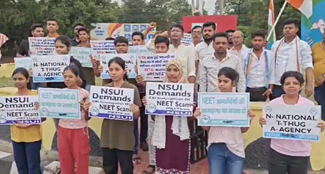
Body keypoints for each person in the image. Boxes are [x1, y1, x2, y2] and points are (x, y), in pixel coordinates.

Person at [259, 71, 325, 174]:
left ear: (301, 86)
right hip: (278, 151)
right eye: (287, 83)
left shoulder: (309, 105)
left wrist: (320, 127)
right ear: (282, 86)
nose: (291, 86)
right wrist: (262, 122)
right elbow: (268, 127)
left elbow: (312, 129)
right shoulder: (273, 104)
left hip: (301, 153)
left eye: (295, 83)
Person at [85, 57, 141, 174]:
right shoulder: (104, 89)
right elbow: (93, 113)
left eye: (117, 69)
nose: (114, 72)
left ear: (124, 71)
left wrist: (135, 111)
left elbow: (137, 115)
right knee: (109, 168)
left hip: (125, 137)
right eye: (111, 69)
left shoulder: (132, 89)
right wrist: (88, 108)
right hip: (108, 136)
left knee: (126, 168)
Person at [194, 67, 255, 174]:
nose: (221, 84)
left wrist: (248, 119)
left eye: (225, 81)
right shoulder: (210, 101)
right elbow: (206, 128)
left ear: (234, 83)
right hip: (215, 146)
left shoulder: (241, 101)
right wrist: (200, 117)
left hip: (236, 148)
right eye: (219, 81)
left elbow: (244, 130)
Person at [142, 59, 192, 173]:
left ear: (181, 72)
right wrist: (149, 105)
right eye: (169, 70)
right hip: (163, 132)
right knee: (163, 159)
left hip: (180, 133)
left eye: (175, 70)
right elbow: (154, 117)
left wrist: (192, 108)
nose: (172, 73)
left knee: (180, 159)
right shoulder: (158, 90)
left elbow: (192, 118)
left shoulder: (187, 90)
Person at [136, 35, 170, 174]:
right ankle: (152, 162)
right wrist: (142, 83)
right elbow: (146, 85)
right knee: (151, 132)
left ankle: (166, 161)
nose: (160, 50)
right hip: (151, 101)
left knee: (167, 133)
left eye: (163, 47)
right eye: (158, 47)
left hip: (168, 102)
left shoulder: (173, 64)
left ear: (168, 49)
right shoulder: (149, 63)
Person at [49, 66, 91, 174]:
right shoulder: (60, 93)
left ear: (77, 77)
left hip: (79, 130)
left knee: (81, 160)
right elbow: (53, 109)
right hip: (63, 129)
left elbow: (88, 117)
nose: (67, 79)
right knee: (65, 159)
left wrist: (86, 110)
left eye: (70, 76)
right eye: (65, 76)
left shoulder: (84, 93)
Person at [270, 18, 314, 100]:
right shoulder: (275, 45)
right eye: (285, 28)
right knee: (276, 108)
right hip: (277, 84)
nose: (287, 30)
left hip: (293, 84)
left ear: (296, 29)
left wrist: (309, 85)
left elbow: (308, 66)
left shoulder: (303, 45)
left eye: (290, 28)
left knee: (292, 108)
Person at [10, 68, 43, 174]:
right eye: (15, 79)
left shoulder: (36, 96)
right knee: (21, 167)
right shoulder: (10, 98)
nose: (17, 81)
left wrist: (28, 123)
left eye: (20, 78)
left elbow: (44, 117)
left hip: (33, 137)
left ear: (28, 79)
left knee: (33, 167)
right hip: (16, 137)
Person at [242, 31, 274, 101]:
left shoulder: (270, 54)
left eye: (260, 40)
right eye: (255, 40)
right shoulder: (245, 54)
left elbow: (272, 73)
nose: (257, 43)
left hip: (263, 89)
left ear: (264, 41)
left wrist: (270, 89)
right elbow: (242, 73)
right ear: (251, 41)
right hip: (248, 89)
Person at [312, 31, 325, 120]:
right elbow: (310, 63)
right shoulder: (316, 46)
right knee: (320, 106)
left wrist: (324, 76)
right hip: (318, 83)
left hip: (323, 79)